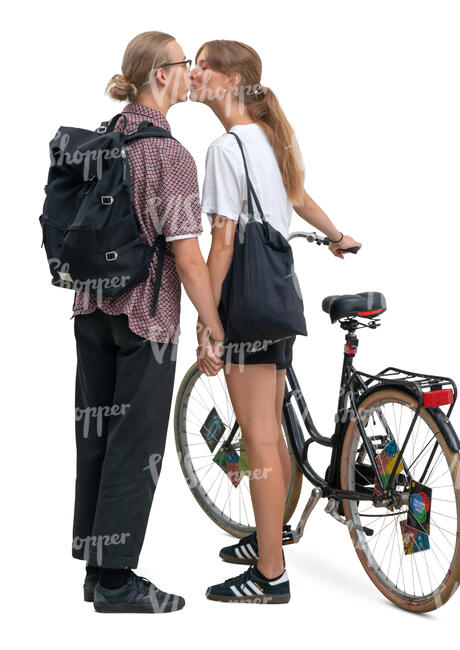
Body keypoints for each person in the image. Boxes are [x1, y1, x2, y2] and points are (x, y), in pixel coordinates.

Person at [189, 39, 362, 604]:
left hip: (245, 301)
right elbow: (300, 198)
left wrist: (209, 322)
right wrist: (336, 236)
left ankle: (270, 574)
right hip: (279, 298)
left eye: (204, 64)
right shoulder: (269, 138)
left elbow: (221, 244)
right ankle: (272, 536)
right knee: (272, 429)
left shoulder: (224, 148)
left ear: (232, 79)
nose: (193, 73)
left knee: (260, 436)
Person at [71, 31, 224, 613]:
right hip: (146, 317)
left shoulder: (102, 138)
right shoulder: (169, 155)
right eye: (184, 64)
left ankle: (96, 571)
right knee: (136, 446)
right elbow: (187, 255)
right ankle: (116, 584)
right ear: (161, 75)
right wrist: (212, 324)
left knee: (98, 437)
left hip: (91, 309)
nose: (190, 73)